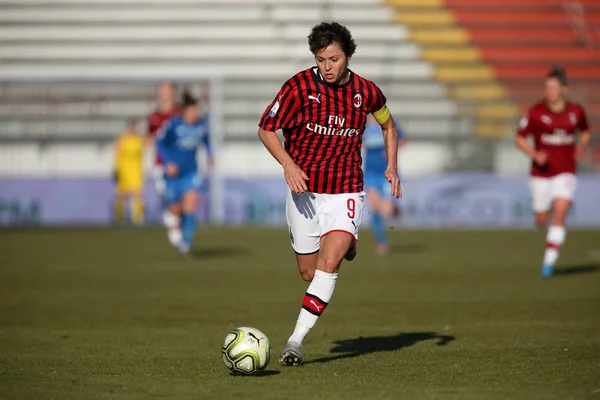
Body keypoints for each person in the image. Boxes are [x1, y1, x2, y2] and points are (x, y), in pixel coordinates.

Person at [257, 21, 402, 366]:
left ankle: (294, 341)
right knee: (308, 273)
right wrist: (289, 165)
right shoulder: (298, 87)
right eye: (321, 59)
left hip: (345, 190)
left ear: (348, 56)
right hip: (304, 192)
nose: (327, 66)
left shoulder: (367, 92)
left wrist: (392, 167)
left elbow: (388, 125)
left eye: (333, 59)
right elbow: (266, 130)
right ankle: (347, 241)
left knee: (329, 263)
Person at [515, 65, 590, 278]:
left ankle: (548, 263)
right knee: (541, 218)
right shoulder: (536, 112)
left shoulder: (576, 112)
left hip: (565, 171)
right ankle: (543, 222)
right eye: (547, 87)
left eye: (553, 87)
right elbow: (519, 137)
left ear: (563, 89)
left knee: (559, 214)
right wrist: (534, 154)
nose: (549, 91)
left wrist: (581, 147)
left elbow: (585, 131)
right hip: (541, 174)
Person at [156, 91, 213, 254]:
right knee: (175, 209)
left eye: (196, 111)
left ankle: (185, 243)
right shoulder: (173, 125)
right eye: (192, 111)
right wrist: (168, 163)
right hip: (173, 175)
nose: (195, 114)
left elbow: (206, 140)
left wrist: (210, 154)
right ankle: (171, 217)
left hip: (191, 172)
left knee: (191, 205)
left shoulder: (201, 126)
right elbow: (159, 144)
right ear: (185, 112)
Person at [362, 114, 407, 255]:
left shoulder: (387, 121)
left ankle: (394, 209)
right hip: (370, 172)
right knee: (375, 208)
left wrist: (390, 149)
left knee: (386, 211)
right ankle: (381, 242)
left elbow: (403, 139)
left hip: (387, 172)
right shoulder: (362, 124)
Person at [147, 82, 182, 246]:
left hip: (181, 163)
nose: (164, 94)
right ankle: (174, 232)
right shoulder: (154, 117)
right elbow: (151, 139)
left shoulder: (179, 114)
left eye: (167, 91)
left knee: (181, 201)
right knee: (171, 199)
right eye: (162, 91)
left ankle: (173, 223)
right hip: (162, 164)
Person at [113, 118, 145, 225]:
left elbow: (148, 145)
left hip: (136, 171)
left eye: (134, 126)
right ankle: (119, 217)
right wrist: (116, 169)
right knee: (120, 194)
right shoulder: (122, 139)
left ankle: (137, 218)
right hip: (124, 171)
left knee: (137, 194)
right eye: (131, 126)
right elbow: (117, 154)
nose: (133, 129)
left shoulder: (139, 139)